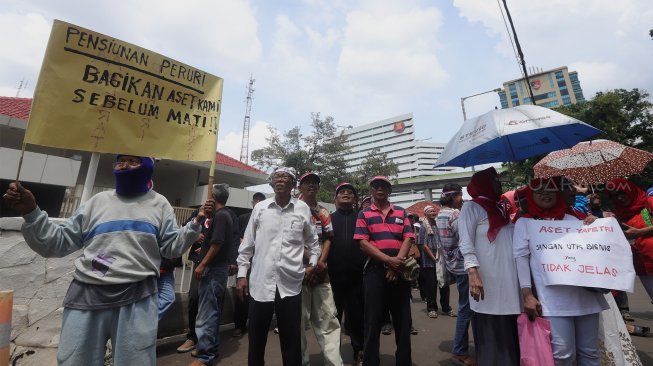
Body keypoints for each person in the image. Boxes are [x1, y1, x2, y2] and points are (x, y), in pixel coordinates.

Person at [2, 155, 204, 366]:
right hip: (86, 297)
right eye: (120, 160)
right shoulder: (97, 202)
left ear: (148, 166)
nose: (125, 165)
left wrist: (193, 226)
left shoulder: (160, 204)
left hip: (138, 299)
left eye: (133, 160)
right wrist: (31, 212)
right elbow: (58, 242)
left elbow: (172, 247)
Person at [513, 178, 609, 365]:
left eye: (550, 189)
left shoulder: (573, 219)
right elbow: (521, 258)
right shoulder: (524, 223)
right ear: (530, 195)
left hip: (585, 296)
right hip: (552, 300)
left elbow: (594, 248)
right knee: (563, 355)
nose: (545, 193)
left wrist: (597, 226)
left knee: (590, 354)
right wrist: (527, 294)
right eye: (539, 190)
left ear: (558, 193)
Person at [236, 167, 320, 366]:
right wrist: (241, 275)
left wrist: (313, 264)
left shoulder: (302, 209)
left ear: (293, 184)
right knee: (256, 340)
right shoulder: (260, 208)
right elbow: (247, 244)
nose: (280, 179)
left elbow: (313, 243)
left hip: (290, 285)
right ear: (271, 183)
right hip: (260, 283)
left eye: (285, 177)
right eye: (276, 177)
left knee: (291, 341)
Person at [458, 167, 521, 366]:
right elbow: (465, 242)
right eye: (494, 179)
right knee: (492, 328)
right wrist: (473, 272)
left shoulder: (503, 208)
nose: (499, 183)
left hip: (510, 279)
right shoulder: (471, 208)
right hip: (487, 279)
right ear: (483, 182)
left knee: (511, 330)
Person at [354, 175, 414, 366]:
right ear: (371, 190)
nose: (380, 189)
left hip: (400, 272)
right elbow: (363, 243)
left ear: (389, 190)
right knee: (372, 321)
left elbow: (408, 238)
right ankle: (371, 361)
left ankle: (403, 361)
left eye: (384, 186)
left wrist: (397, 264)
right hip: (375, 272)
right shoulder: (364, 214)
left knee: (403, 321)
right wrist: (389, 261)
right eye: (376, 186)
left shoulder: (401, 212)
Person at [298, 172, 343, 366]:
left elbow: (328, 238)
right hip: (297, 273)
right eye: (307, 182)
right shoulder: (291, 209)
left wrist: (320, 261)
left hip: (321, 273)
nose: (311, 185)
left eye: (315, 183)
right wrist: (313, 259)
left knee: (328, 319)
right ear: (299, 186)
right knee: (298, 322)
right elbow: (290, 240)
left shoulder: (323, 211)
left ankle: (334, 363)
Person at [192, 184, 235, 366]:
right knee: (212, 312)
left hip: (214, 270)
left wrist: (202, 265)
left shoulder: (222, 216)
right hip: (217, 270)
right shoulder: (222, 215)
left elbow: (217, 244)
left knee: (206, 314)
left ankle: (205, 356)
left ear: (213, 197)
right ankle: (210, 347)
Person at [436, 184, 475, 366]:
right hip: (464, 266)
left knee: (468, 307)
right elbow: (466, 239)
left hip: (454, 264)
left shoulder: (440, 214)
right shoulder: (454, 215)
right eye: (460, 195)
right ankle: (459, 350)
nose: (462, 199)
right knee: (466, 308)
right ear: (454, 196)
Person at [329, 182, 365, 365]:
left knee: (357, 317)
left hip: (357, 277)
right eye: (342, 192)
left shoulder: (362, 218)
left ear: (355, 199)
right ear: (335, 198)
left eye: (350, 192)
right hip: (332, 277)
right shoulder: (328, 218)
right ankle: (334, 356)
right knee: (333, 318)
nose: (345, 194)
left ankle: (359, 351)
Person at [606, 178, 653, 303]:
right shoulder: (618, 216)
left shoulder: (649, 202)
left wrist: (640, 232)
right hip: (643, 266)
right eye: (614, 196)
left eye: (622, 193)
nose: (619, 198)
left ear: (630, 190)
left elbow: (637, 233)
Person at [231, 192, 266, 338]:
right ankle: (239, 325)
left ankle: (256, 324)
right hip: (246, 262)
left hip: (263, 262)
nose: (257, 203)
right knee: (242, 293)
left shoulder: (267, 218)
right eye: (255, 201)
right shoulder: (243, 218)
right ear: (252, 203)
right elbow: (235, 239)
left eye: (260, 201)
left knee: (259, 295)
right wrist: (234, 261)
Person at [177, 211, 210, 354]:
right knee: (194, 298)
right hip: (199, 261)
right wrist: (196, 234)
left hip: (217, 264)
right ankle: (192, 337)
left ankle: (206, 341)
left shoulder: (224, 214)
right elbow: (185, 229)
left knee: (211, 303)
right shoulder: (199, 213)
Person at [417, 206, 453, 318]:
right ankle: (431, 308)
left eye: (434, 211)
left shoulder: (438, 224)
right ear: (426, 214)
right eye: (430, 211)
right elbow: (423, 245)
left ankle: (446, 308)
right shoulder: (423, 226)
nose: (433, 213)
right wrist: (434, 258)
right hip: (429, 262)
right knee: (431, 286)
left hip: (441, 259)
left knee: (444, 284)